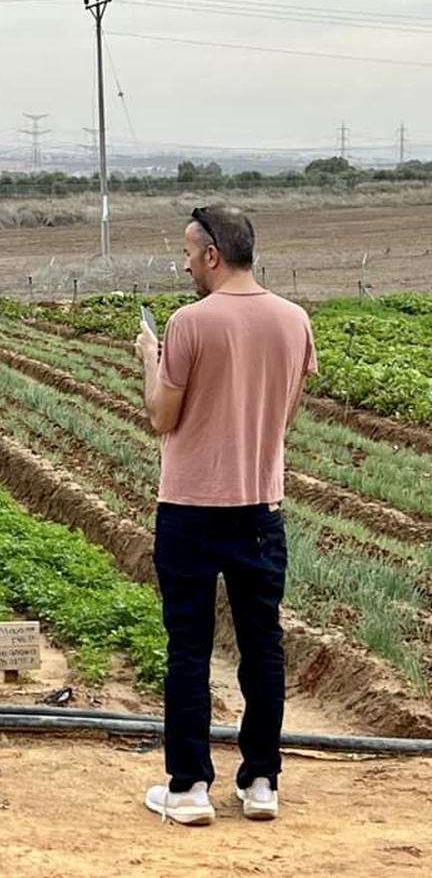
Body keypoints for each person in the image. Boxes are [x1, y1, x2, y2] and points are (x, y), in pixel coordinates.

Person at [135, 205, 316, 825]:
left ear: (212, 254)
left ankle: (188, 789)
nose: (185, 264)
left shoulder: (189, 323)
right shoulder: (294, 320)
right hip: (261, 509)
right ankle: (262, 782)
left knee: (188, 647)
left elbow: (162, 416)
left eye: (188, 253)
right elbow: (285, 416)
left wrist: (149, 358)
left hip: (189, 509)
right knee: (262, 647)